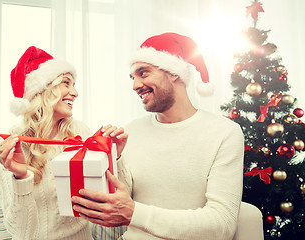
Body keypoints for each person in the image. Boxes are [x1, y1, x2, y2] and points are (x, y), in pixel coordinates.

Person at [71, 32, 244, 240]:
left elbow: (221, 225)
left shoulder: (224, 133)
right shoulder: (131, 132)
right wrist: (114, 159)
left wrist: (134, 213)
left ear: (174, 73)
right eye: (132, 77)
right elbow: (120, 201)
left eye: (143, 73)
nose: (135, 86)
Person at [0, 46, 128, 240]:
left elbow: (116, 204)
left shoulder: (80, 133)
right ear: (44, 89)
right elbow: (20, 231)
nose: (75, 92)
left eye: (74, 84)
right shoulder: (6, 147)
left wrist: (114, 156)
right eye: (66, 83)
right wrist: (21, 176)